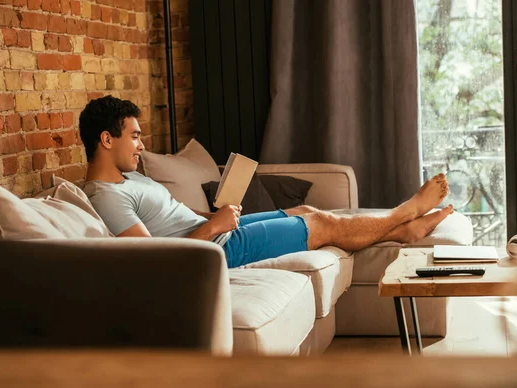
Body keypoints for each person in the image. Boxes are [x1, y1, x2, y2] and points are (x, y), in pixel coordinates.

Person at [80, 96, 453, 268]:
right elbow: (155, 262)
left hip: (213, 232)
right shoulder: (106, 196)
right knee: (322, 223)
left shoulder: (129, 178)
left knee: (304, 210)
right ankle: (406, 213)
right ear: (106, 139)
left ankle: (402, 232)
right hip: (216, 251)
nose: (142, 145)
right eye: (134, 136)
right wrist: (213, 227)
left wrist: (216, 213)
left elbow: (173, 217)